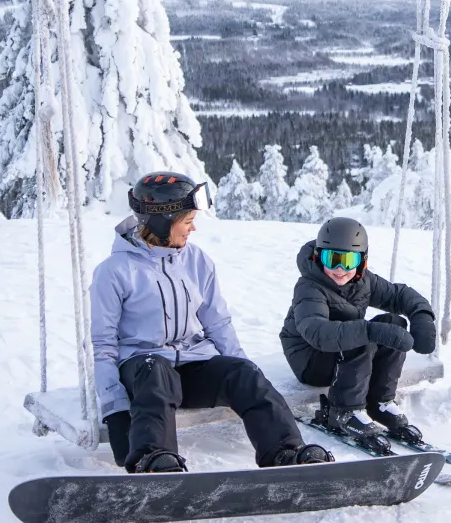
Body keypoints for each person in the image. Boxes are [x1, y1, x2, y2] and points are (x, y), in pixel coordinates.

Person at [91, 170, 331, 473]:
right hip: (143, 369)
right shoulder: (114, 272)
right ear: (162, 221)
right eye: (188, 221)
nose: (193, 229)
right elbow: (104, 345)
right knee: (157, 373)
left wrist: (248, 372)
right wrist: (115, 408)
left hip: (192, 365)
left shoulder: (197, 260)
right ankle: (153, 458)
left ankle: (285, 451)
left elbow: (217, 323)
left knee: (243, 373)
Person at [279, 216, 437, 444]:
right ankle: (344, 410)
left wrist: (421, 316)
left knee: (393, 323)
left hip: (342, 358)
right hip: (309, 360)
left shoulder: (363, 281)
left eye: (349, 260)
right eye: (331, 259)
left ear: (362, 261)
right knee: (362, 335)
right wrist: (371, 332)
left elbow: (399, 294)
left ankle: (379, 402)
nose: (340, 269)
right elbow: (317, 332)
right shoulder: (309, 287)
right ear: (318, 256)